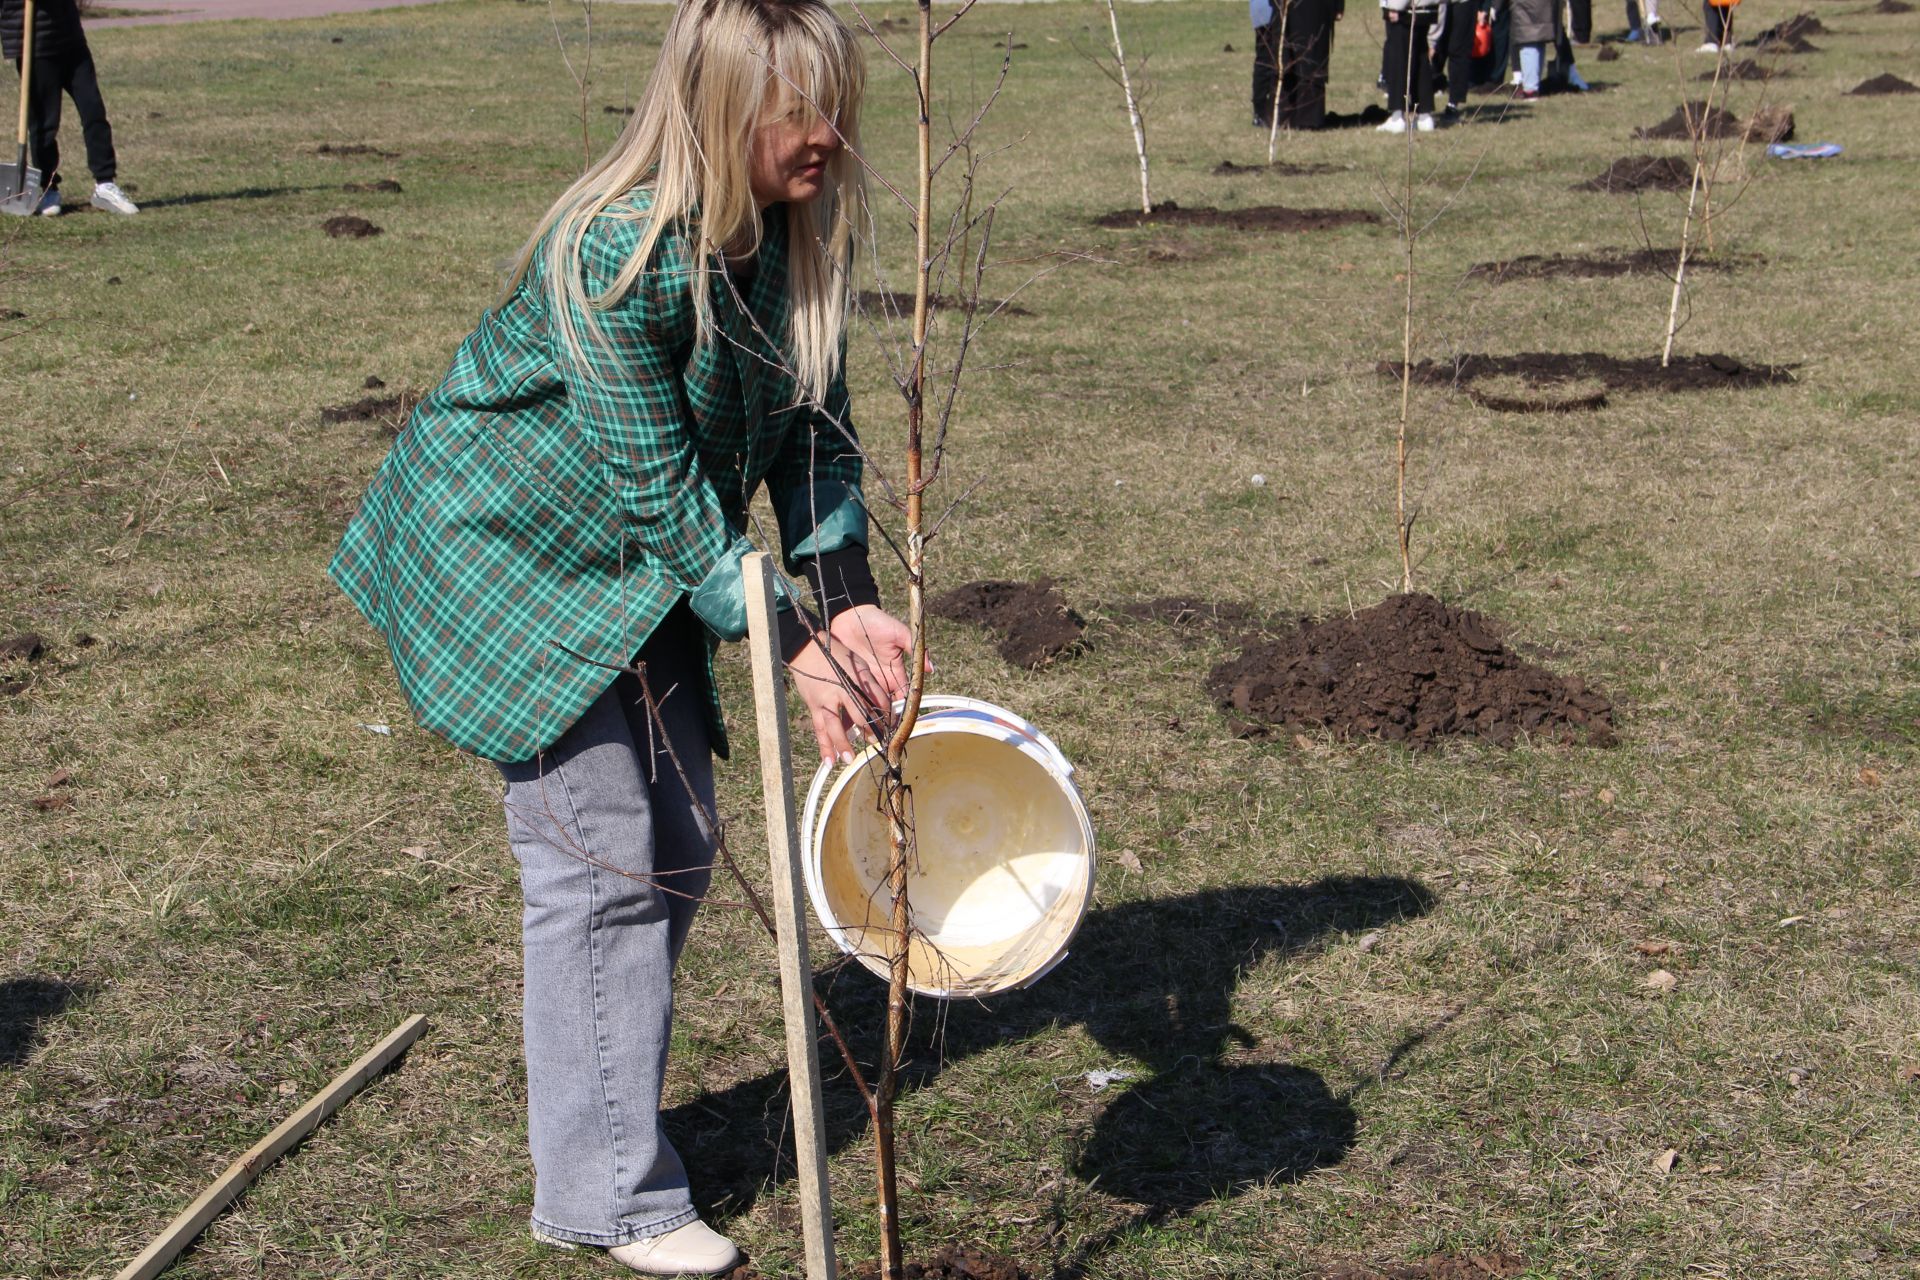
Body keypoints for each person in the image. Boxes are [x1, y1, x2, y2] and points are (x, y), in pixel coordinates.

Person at [329, 0, 908, 1272]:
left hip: (638, 567)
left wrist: (847, 590)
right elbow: (657, 487)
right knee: (604, 864)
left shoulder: (798, 240)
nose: (828, 136)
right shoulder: (611, 251)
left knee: (685, 841)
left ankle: (595, 1108)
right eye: (797, 109)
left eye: (837, 104)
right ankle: (606, 1192)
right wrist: (783, 631)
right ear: (715, 114)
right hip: (511, 555)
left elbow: (815, 433)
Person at [1, 0, 137, 216]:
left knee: (93, 110)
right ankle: (48, 188)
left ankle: (105, 184)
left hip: (69, 38)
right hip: (34, 45)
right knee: (45, 125)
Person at [1252, 0, 1343, 130]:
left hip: (1314, 12)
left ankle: (1307, 117)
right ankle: (1284, 114)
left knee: (1310, 56)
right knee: (1287, 57)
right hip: (1288, 12)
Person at [1379, 0, 1443, 132]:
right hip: (1427, 8)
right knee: (1421, 59)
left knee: (1398, 61)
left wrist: (1395, 6)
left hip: (1406, 10)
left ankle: (1398, 116)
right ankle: (1424, 116)